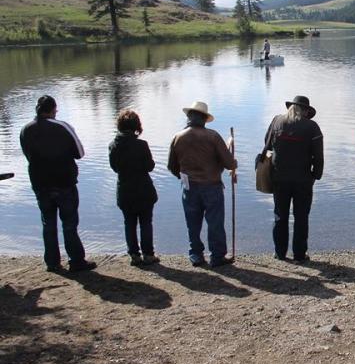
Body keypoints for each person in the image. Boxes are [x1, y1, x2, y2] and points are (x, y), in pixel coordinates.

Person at [19, 95, 97, 273]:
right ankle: (76, 261)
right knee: (69, 223)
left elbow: (27, 154)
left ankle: (52, 263)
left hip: (40, 183)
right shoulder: (62, 126)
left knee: (48, 223)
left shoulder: (25, 130)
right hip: (64, 183)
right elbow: (80, 153)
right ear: (53, 109)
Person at [167, 101, 237, 267]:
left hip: (189, 186)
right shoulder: (212, 136)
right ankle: (217, 256)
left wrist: (183, 176)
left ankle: (196, 255)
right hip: (212, 185)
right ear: (204, 119)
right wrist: (234, 163)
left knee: (193, 222)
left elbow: (171, 166)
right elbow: (229, 164)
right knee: (215, 222)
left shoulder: (178, 137)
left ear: (189, 117)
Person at [262, 96, 324, 262]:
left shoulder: (277, 121)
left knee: (280, 215)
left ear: (291, 108)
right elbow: (318, 156)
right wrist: (316, 175)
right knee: (301, 216)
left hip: (279, 177)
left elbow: (267, 145)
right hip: (303, 179)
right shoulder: (312, 127)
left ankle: (280, 253)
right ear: (305, 111)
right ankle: (299, 254)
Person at [109, 109, 159, 266]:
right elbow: (150, 167)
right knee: (146, 222)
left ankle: (134, 255)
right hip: (143, 189)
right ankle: (148, 255)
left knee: (129, 223)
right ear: (136, 125)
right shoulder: (141, 145)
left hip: (125, 190)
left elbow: (114, 168)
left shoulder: (113, 146)